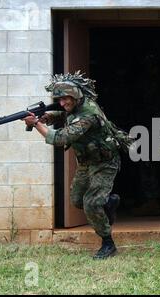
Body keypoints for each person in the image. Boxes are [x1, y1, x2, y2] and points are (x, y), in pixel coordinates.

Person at [23, 71, 122, 259]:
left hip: (105, 162)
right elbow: (65, 114)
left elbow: (61, 137)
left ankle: (108, 244)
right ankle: (109, 202)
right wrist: (47, 117)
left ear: (75, 94)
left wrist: (36, 123)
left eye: (65, 99)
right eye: (59, 100)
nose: (62, 103)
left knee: (91, 203)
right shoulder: (76, 107)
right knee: (77, 200)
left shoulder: (88, 114)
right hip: (86, 162)